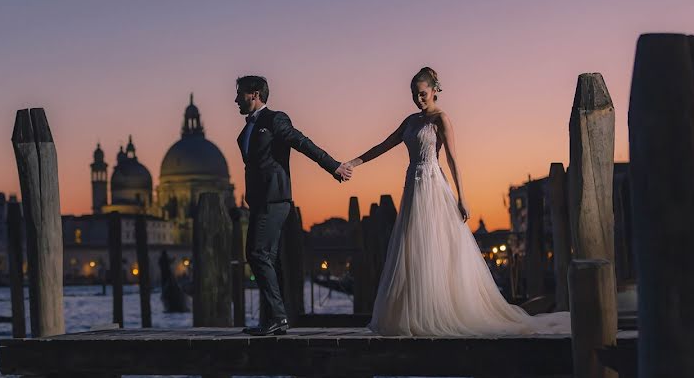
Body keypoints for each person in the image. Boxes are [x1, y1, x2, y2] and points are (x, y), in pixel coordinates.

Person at [342, 67, 569, 336]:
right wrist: (353, 162)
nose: (419, 99)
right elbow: (383, 145)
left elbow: (452, 160)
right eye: (415, 95)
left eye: (423, 94)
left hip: (433, 185)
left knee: (435, 246)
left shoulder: (441, 119)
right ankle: (414, 314)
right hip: (413, 187)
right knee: (412, 247)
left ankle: (440, 311)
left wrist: (463, 198)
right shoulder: (409, 121)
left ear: (434, 91)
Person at [235, 75, 353, 336]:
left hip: (275, 198)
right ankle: (271, 321)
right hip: (258, 200)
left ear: (254, 94)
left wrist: (333, 166)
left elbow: (302, 142)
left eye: (239, 94)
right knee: (269, 259)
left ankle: (277, 316)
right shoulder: (246, 130)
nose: (235, 100)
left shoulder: (275, 119)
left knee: (255, 253)